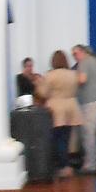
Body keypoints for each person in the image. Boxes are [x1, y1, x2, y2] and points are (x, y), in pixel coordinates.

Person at [36, 51, 81, 179]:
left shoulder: (50, 75)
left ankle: (62, 167)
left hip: (56, 108)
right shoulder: (73, 74)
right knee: (66, 139)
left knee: (56, 139)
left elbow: (42, 93)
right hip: (71, 107)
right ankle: (67, 165)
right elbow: (77, 89)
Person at [73, 44, 96, 174]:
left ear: (82, 52)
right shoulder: (95, 61)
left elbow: (82, 80)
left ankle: (90, 165)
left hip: (91, 102)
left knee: (89, 134)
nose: (74, 57)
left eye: (75, 54)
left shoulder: (83, 63)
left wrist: (72, 79)